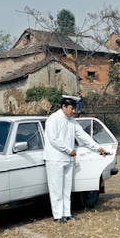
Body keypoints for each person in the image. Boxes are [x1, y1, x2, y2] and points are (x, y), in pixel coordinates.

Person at [44, 95, 107, 223]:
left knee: (67, 188)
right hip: (55, 158)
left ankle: (67, 213)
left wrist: (97, 148)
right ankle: (58, 215)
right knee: (56, 188)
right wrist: (68, 150)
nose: (74, 111)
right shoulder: (53, 119)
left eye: (75, 108)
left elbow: (83, 136)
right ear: (64, 106)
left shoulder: (72, 121)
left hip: (68, 159)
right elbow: (53, 139)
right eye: (72, 108)